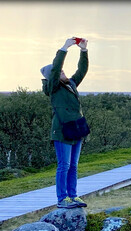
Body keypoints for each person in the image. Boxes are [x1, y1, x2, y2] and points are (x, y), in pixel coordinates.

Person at [41, 37, 89, 209]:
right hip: (62, 132)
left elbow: (82, 70)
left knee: (73, 166)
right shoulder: (53, 88)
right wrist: (65, 48)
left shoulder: (71, 84)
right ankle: (62, 199)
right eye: (60, 72)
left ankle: (73, 196)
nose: (63, 72)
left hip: (76, 130)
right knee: (64, 165)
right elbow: (55, 71)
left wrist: (83, 50)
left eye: (62, 71)